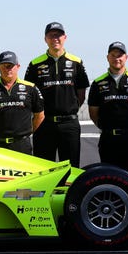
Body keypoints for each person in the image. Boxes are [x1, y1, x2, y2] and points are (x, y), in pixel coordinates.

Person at [24, 22, 90, 167]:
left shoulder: (76, 62)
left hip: (69, 123)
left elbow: (81, 94)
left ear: (65, 37)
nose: (55, 38)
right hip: (43, 124)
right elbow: (30, 96)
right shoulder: (35, 64)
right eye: (51, 35)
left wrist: (68, 109)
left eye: (58, 35)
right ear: (45, 39)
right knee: (43, 169)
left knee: (71, 169)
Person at [87, 42, 128, 179]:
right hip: (108, 139)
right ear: (107, 57)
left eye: (120, 55)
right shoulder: (98, 83)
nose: (117, 58)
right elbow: (93, 112)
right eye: (113, 55)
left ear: (126, 57)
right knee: (109, 178)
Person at [0, 51, 44, 154]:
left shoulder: (31, 88)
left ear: (18, 66)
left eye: (10, 66)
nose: (7, 69)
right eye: (4, 66)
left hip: (22, 144)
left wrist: (27, 132)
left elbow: (40, 115)